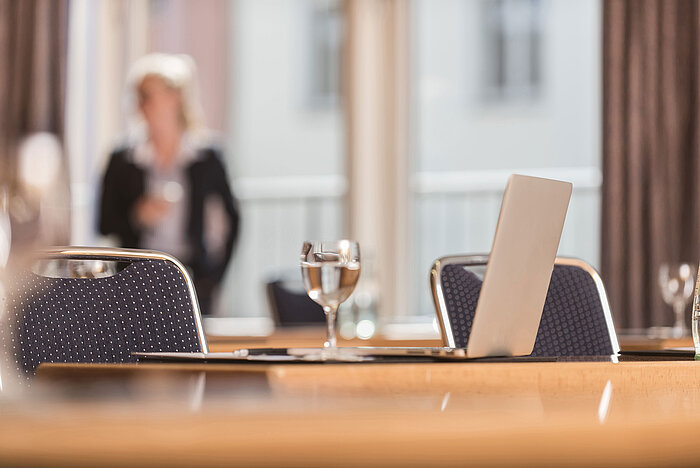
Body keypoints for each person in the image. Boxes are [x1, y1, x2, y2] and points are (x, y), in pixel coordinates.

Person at [99, 53, 239, 315]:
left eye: (148, 96)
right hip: (135, 280)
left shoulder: (208, 157)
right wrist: (137, 215)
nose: (141, 105)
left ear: (176, 98)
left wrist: (214, 280)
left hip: (192, 279)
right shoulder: (121, 159)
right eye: (137, 96)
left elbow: (231, 222)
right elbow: (104, 222)